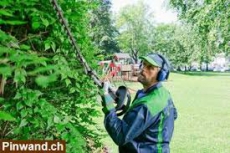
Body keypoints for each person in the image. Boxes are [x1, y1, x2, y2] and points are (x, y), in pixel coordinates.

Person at [101, 53, 177, 153]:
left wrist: (109, 106)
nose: (143, 69)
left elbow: (120, 135)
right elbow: (174, 115)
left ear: (161, 75)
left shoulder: (148, 104)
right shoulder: (163, 94)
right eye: (144, 64)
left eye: (150, 67)